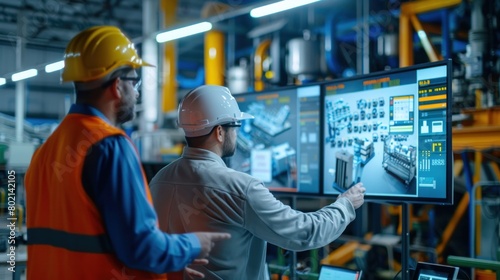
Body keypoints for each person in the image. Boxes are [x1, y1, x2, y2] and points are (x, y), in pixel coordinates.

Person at [24, 26, 230, 280]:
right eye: (135, 81)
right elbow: (140, 246)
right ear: (118, 85)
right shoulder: (109, 146)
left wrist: (166, 263)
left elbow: (90, 239)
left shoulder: (44, 151)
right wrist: (194, 244)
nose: (138, 91)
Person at [150, 85, 366, 279]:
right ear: (219, 132)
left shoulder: (158, 181)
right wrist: (344, 205)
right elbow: (304, 233)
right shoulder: (240, 187)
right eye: (236, 126)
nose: (237, 133)